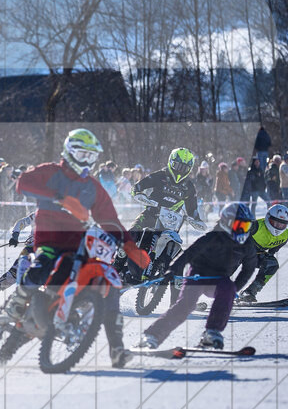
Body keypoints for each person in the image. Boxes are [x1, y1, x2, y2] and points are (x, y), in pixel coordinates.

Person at [14, 128, 151, 368]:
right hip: (49, 238)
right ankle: (17, 306)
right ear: (68, 151)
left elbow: (110, 220)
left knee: (109, 282)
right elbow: (23, 183)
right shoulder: (52, 172)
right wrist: (58, 197)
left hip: (77, 244)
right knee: (42, 266)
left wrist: (130, 247)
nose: (85, 160)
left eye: (90, 156)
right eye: (81, 154)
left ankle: (116, 348)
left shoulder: (93, 187)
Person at [140, 203, 258, 351]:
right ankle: (152, 336)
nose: (242, 230)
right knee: (186, 306)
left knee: (227, 289)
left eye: (245, 227)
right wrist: (171, 272)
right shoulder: (212, 237)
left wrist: (235, 288)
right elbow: (188, 254)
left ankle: (212, 332)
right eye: (239, 225)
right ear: (227, 222)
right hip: (198, 275)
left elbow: (249, 268)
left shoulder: (246, 245)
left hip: (219, 279)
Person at [118, 147, 206, 281]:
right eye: (177, 166)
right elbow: (138, 187)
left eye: (184, 168)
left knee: (176, 250)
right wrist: (139, 194)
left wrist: (196, 220)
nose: (179, 170)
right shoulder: (160, 175)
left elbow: (193, 209)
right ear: (171, 162)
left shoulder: (189, 187)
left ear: (189, 169)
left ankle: (167, 277)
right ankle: (114, 268)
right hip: (150, 215)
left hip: (170, 223)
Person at [237, 204, 288, 303]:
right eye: (275, 223)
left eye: (282, 224)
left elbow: (271, 253)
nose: (278, 226)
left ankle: (250, 292)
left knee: (272, 264)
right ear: (268, 218)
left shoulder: (285, 236)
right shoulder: (255, 226)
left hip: (254, 255)